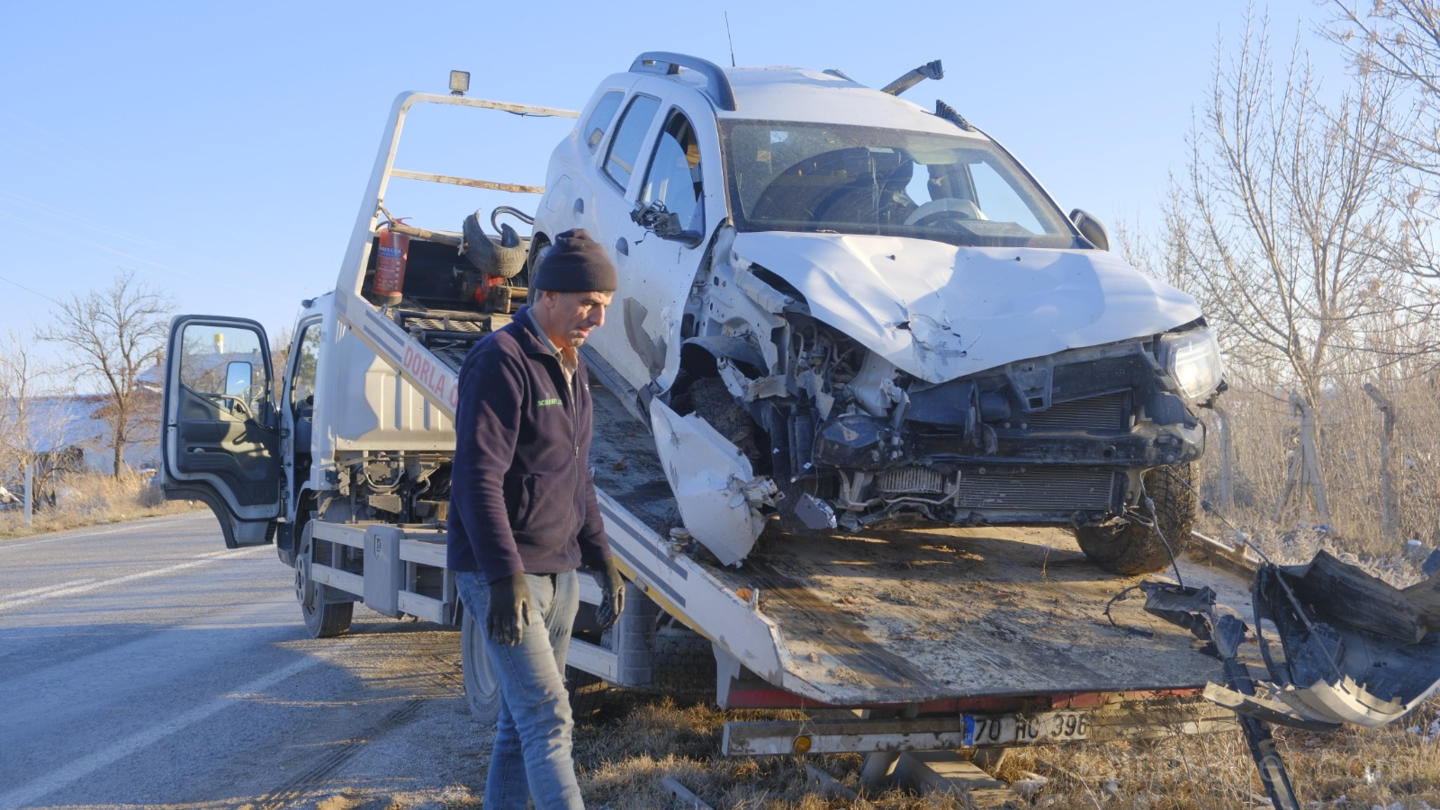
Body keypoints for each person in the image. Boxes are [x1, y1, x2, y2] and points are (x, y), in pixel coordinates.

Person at [448, 228, 625, 810]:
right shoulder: (501, 361)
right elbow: (478, 478)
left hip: (561, 572)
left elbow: (578, 473)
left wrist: (600, 555)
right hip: (506, 577)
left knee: (517, 726)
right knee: (550, 718)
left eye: (603, 306)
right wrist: (503, 577)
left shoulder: (573, 368)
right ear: (548, 295)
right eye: (587, 305)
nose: (596, 319)